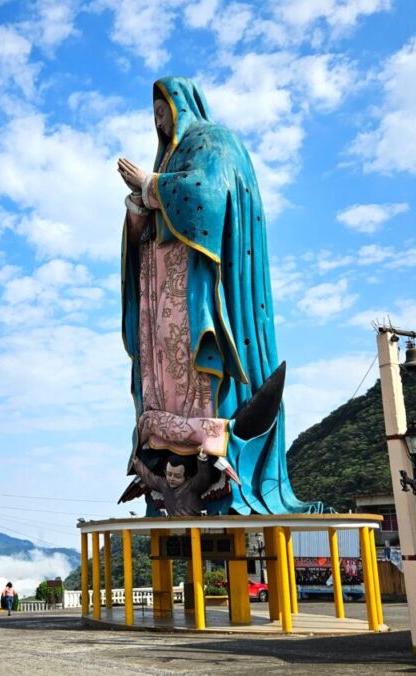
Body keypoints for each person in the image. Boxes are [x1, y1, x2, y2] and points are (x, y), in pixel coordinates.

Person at [117, 77, 319, 516]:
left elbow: (206, 197)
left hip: (195, 289)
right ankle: (166, 457)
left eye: (163, 109)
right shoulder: (168, 155)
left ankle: (214, 458)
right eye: (153, 113)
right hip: (158, 290)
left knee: (196, 364)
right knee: (163, 370)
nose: (159, 119)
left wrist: (151, 185)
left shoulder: (214, 141)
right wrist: (137, 209)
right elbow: (144, 231)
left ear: (183, 105)